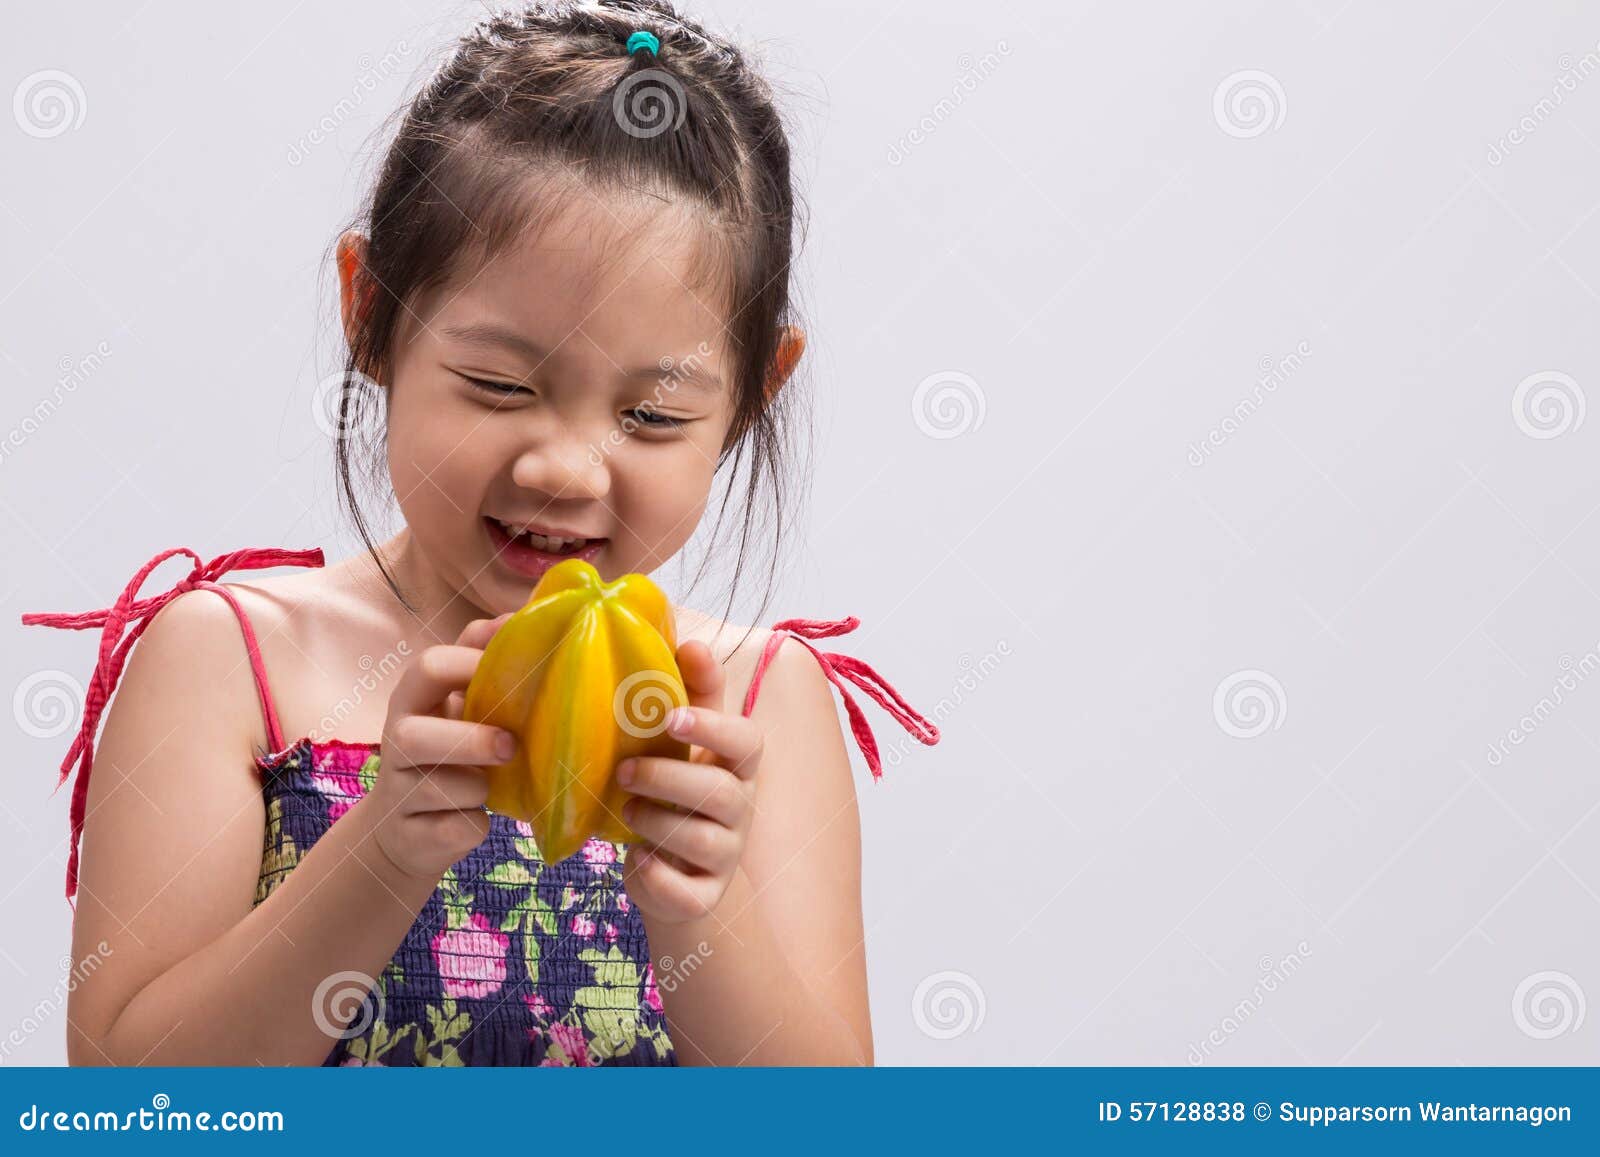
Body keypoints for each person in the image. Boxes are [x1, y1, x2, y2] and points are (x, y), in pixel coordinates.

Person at [21, 0, 938, 1067]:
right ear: (370, 315)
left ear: (749, 400)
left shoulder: (761, 706)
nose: (564, 465)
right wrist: (380, 849)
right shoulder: (224, 660)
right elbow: (130, 1107)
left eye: (650, 415)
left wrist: (699, 908)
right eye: (499, 384)